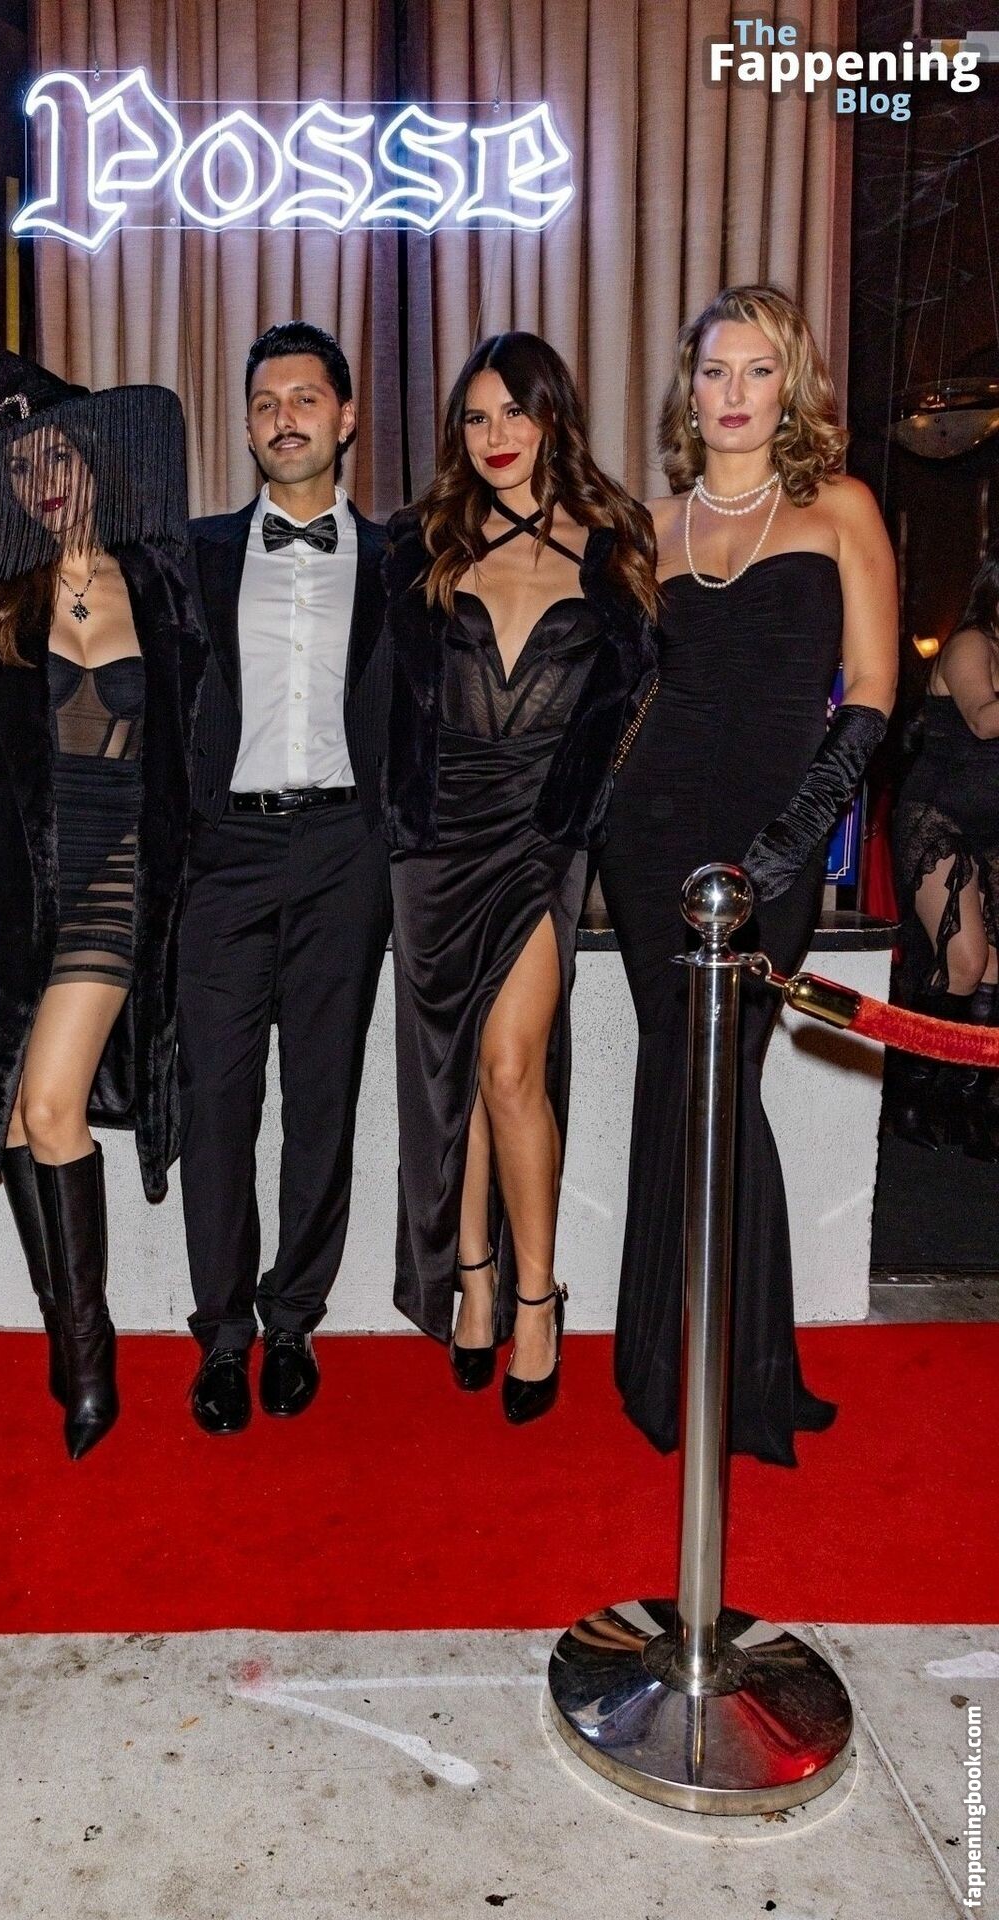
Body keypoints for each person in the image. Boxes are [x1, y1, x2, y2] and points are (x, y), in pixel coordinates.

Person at [600, 283, 898, 1465]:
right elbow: (616, 696)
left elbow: (872, 694)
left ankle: (732, 1369)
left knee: (722, 1077)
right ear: (690, 391)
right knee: (679, 1075)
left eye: (757, 370)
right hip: (650, 836)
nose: (733, 393)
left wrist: (791, 841)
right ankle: (683, 1365)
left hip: (773, 836)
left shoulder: (840, 508)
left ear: (792, 387)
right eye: (714, 371)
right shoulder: (646, 528)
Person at [0, 354, 205, 1460]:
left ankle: (89, 1358)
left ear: (94, 462)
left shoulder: (161, 580)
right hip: (20, 895)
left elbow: (197, 737)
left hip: (120, 883)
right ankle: (66, 1331)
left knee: (49, 1106)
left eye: (59, 457)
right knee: (12, 1116)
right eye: (21, 466)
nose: (45, 481)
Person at [381, 332, 658, 1422]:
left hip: (543, 840)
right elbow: (381, 700)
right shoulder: (423, 544)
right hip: (437, 843)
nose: (496, 437)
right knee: (452, 1073)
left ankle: (536, 1299)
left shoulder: (614, 545)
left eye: (515, 413)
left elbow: (643, 701)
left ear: (553, 419)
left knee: (509, 1066)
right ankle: (475, 1278)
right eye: (477, 417)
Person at [179, 321, 391, 1434]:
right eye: (265, 402)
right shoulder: (195, 553)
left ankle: (294, 1319)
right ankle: (223, 1333)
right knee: (216, 1098)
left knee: (322, 1096)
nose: (284, 418)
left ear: (346, 418)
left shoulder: (400, 561)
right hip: (226, 851)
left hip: (347, 849)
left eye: (306, 398)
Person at [890, 548, 999, 1157]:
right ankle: (910, 1091)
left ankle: (968, 1102)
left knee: (993, 971)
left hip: (993, 828)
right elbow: (984, 720)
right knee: (963, 962)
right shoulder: (970, 644)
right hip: (941, 816)